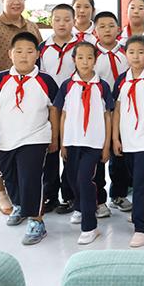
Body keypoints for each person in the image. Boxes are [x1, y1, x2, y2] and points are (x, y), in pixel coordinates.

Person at [0, 32, 58, 245]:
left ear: (37, 54)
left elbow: (54, 110)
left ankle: (36, 220)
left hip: (36, 137)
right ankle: (20, 206)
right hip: (6, 139)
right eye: (19, 51)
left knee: (30, 177)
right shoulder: (0, 79)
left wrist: (54, 137)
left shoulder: (45, 80)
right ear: (10, 54)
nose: (24, 56)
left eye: (29, 51)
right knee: (10, 177)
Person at [55, 42, 113, 245]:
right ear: (74, 60)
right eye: (80, 57)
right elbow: (63, 114)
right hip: (72, 140)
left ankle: (90, 227)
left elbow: (107, 116)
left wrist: (106, 145)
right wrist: (62, 142)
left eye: (89, 57)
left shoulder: (102, 86)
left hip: (94, 143)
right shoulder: (68, 85)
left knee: (84, 180)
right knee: (73, 179)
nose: (85, 62)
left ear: (95, 60)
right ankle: (80, 207)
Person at [111, 35, 144, 248]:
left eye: (141, 52)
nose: (136, 56)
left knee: (142, 183)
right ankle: (142, 211)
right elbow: (116, 111)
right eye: (131, 52)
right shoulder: (121, 80)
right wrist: (115, 137)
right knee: (136, 182)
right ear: (125, 55)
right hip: (128, 140)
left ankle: (142, 227)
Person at [38, 4, 81, 215]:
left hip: (75, 107)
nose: (62, 24)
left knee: (71, 151)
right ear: (51, 21)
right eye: (57, 19)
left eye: (67, 19)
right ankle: (50, 195)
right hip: (48, 107)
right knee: (51, 150)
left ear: (74, 21)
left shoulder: (82, 46)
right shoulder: (42, 48)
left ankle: (70, 195)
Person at [93, 11, 132, 214]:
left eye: (111, 26)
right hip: (98, 112)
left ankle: (118, 193)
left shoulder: (128, 52)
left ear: (118, 29)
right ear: (95, 31)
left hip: (123, 110)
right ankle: (98, 199)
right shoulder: (91, 54)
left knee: (119, 154)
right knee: (98, 155)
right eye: (102, 26)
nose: (107, 30)